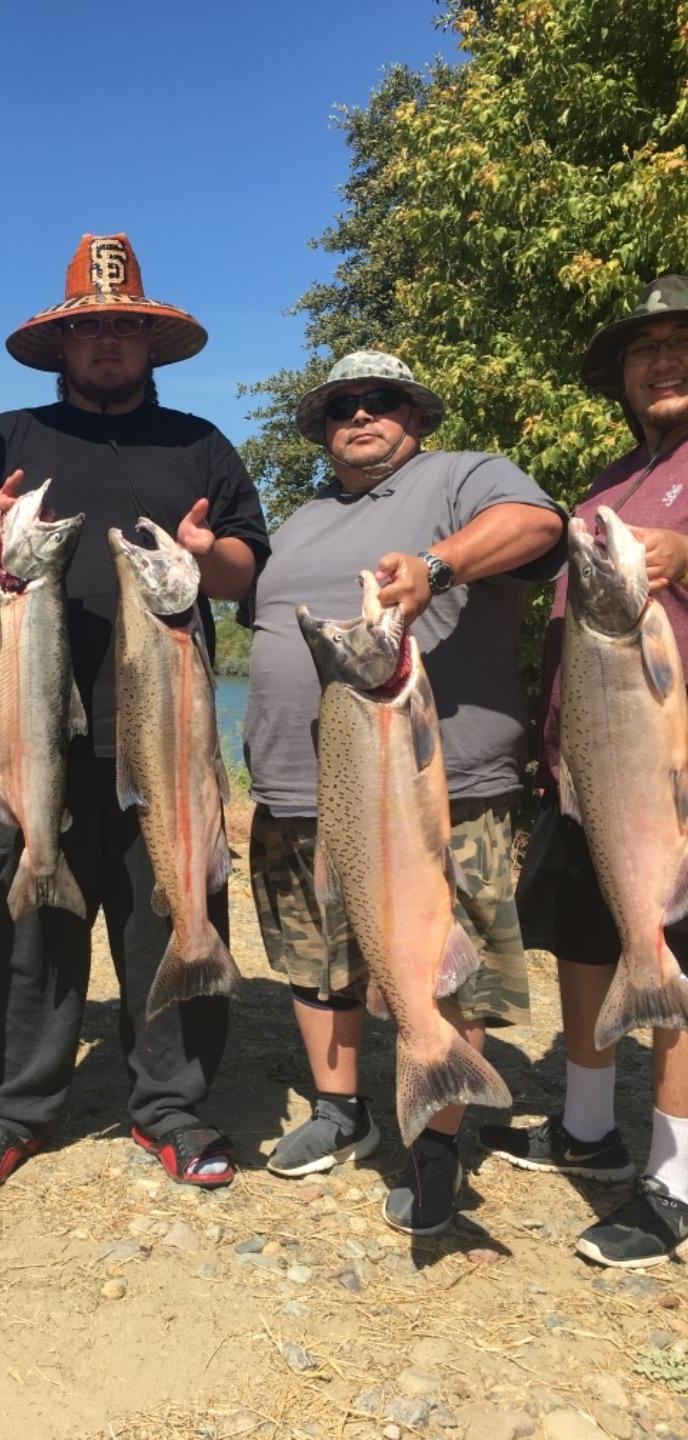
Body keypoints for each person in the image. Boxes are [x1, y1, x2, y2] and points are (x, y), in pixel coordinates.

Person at [0, 233, 269, 1194]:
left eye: (126, 328)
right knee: (29, 922)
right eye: (92, 328)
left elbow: (247, 568)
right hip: (28, 732)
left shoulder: (201, 443)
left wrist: (206, 555)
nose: (109, 343)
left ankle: (170, 1105)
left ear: (151, 344)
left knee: (171, 904)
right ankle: (17, 1108)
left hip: (166, 735)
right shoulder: (7, 439)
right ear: (64, 344)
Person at [243, 350, 565, 1235]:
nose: (360, 414)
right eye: (342, 404)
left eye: (379, 400)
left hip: (439, 787)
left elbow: (538, 526)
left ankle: (435, 1140)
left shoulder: (463, 478)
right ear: (322, 428)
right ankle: (339, 1108)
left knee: (444, 966)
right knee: (318, 959)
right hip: (300, 787)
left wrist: (439, 566)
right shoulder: (303, 517)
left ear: (414, 414)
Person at [479, 275, 688, 1268]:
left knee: (671, 956)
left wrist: (680, 553)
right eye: (645, 348)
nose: (664, 360)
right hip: (580, 772)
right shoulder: (606, 482)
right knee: (588, 946)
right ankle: (590, 1130)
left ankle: (677, 1181)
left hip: (668, 774)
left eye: (682, 341)